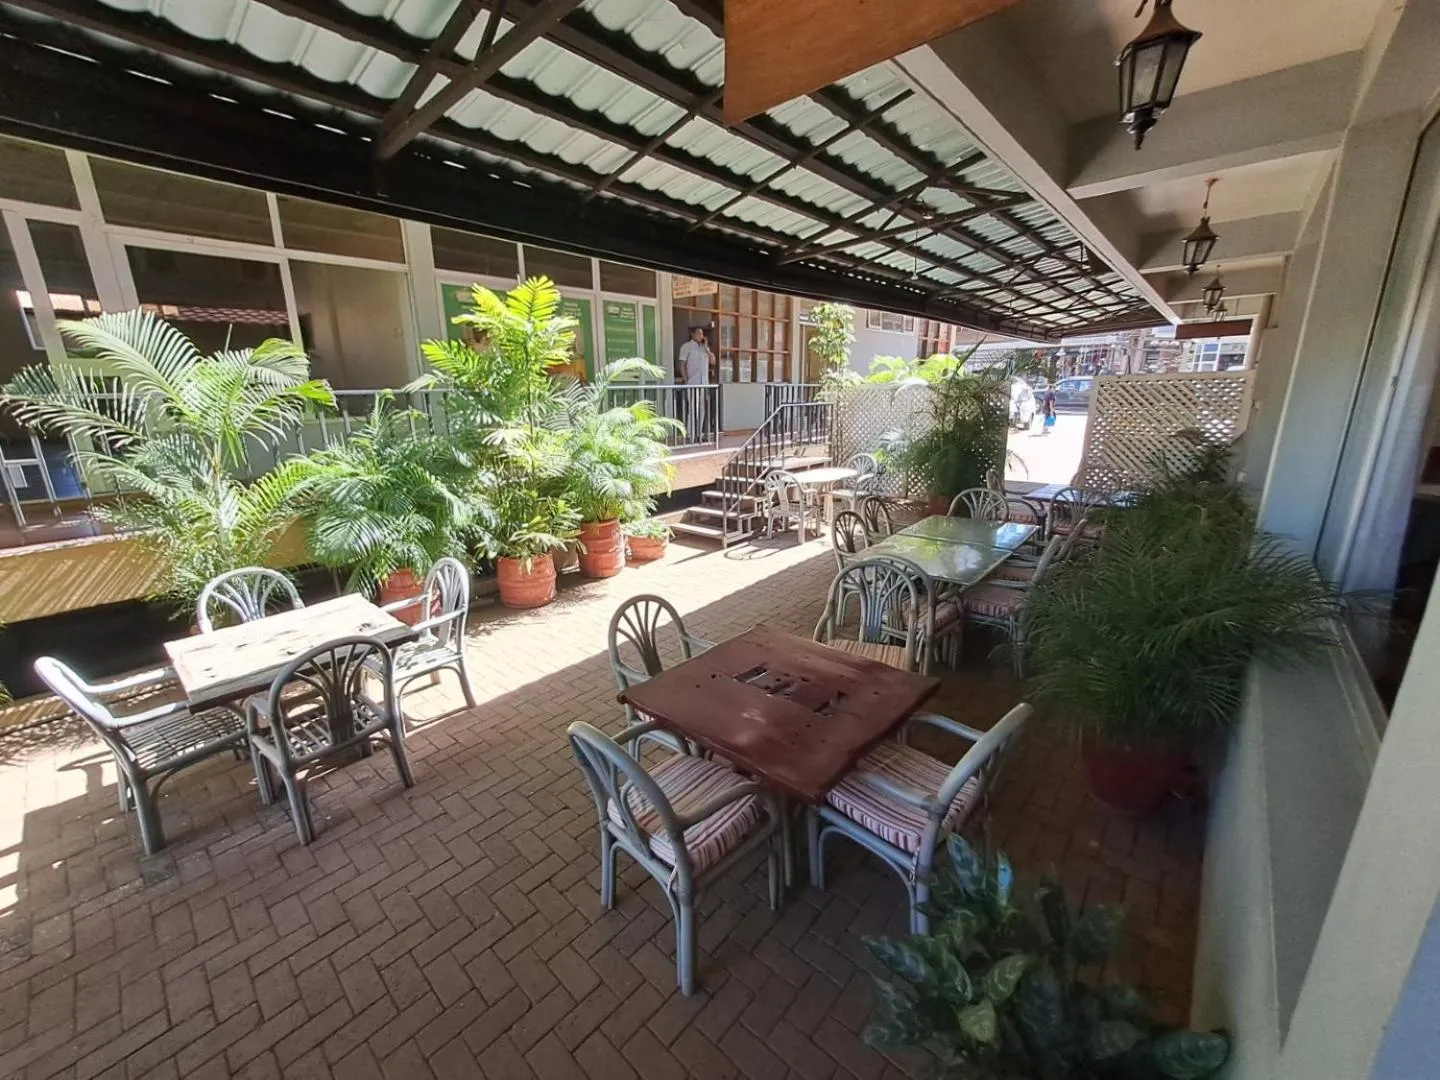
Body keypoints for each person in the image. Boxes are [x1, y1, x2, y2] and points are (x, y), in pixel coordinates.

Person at [677, 327, 715, 439]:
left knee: (702, 409)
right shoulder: (686, 347)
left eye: (702, 334)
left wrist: (707, 348)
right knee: (693, 408)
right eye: (698, 333)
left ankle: (699, 433)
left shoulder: (704, 349)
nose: (701, 335)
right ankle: (690, 434)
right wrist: (686, 379)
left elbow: (713, 361)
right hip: (693, 381)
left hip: (704, 383)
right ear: (692, 334)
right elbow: (681, 363)